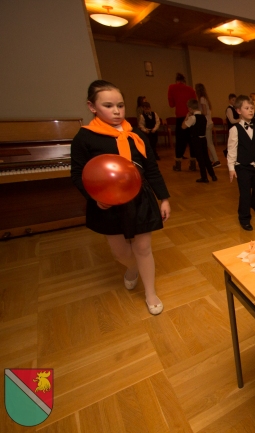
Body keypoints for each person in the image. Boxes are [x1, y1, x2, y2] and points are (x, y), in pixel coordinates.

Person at [71, 80, 170, 316]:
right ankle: (132, 268)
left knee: (143, 247)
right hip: (107, 202)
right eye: (108, 106)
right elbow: (78, 174)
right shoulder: (85, 138)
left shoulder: (136, 135)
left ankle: (150, 292)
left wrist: (164, 198)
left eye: (120, 105)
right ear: (92, 107)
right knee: (121, 253)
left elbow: (151, 169)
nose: (116, 111)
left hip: (139, 198)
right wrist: (94, 197)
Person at [227, 95, 255, 231]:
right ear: (238, 111)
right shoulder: (234, 130)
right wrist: (231, 168)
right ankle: (244, 218)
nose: (250, 110)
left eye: (252, 108)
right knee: (245, 193)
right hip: (242, 167)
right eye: (247, 108)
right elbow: (231, 150)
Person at [183, 99, 217, 184]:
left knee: (200, 159)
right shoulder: (203, 117)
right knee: (206, 158)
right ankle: (213, 175)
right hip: (203, 139)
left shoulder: (192, 118)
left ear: (190, 109)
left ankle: (204, 177)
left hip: (196, 140)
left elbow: (183, 126)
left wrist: (186, 117)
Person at [168, 73, 197, 171]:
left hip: (180, 117)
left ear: (176, 80)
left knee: (180, 141)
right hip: (191, 116)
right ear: (184, 81)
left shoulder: (172, 87)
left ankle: (178, 164)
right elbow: (195, 103)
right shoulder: (190, 89)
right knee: (192, 141)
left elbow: (171, 104)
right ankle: (193, 164)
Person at [195, 83, 221, 168]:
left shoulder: (202, 99)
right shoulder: (205, 98)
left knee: (209, 143)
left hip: (206, 124)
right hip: (209, 123)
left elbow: (205, 112)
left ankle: (216, 160)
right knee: (209, 143)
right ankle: (211, 159)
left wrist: (196, 113)